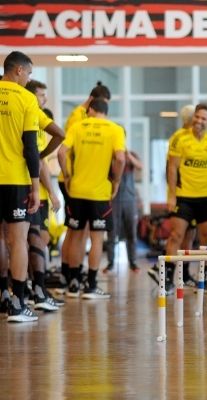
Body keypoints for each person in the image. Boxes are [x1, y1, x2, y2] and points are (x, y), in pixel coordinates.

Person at [57, 98, 125, 299]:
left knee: (76, 237)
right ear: (105, 111)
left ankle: (73, 284)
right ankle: (92, 286)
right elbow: (120, 158)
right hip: (99, 193)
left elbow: (61, 152)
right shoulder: (115, 129)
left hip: (76, 191)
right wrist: (116, 181)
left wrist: (67, 175)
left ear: (91, 110)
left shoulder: (78, 126)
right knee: (96, 239)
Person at [151, 103, 207, 292]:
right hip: (183, 197)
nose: (199, 121)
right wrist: (171, 196)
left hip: (206, 197)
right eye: (197, 117)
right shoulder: (179, 138)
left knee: (205, 239)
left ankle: (203, 278)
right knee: (176, 235)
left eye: (203, 118)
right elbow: (171, 168)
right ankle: (167, 279)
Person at [0, 51, 41, 321]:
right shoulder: (26, 99)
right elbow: (31, 146)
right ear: (18, 71)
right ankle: (18, 303)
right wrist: (36, 187)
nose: (28, 79)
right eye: (28, 74)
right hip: (14, 180)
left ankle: (3, 293)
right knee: (18, 243)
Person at [25, 79, 65, 310]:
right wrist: (49, 192)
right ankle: (37, 291)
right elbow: (38, 161)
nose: (45, 99)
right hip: (28, 189)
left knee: (26, 239)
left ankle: (27, 290)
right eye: (41, 95)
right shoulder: (31, 117)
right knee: (35, 237)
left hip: (24, 187)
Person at [104, 150, 143, 272]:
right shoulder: (109, 156)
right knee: (111, 232)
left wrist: (129, 156)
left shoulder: (131, 154)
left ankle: (133, 262)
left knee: (131, 232)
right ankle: (110, 264)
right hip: (113, 199)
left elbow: (140, 167)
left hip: (129, 200)